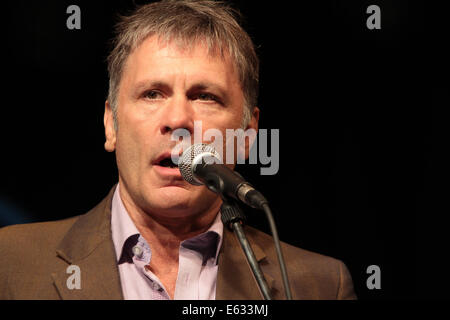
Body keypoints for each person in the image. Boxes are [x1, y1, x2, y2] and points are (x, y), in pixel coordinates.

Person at [0, 0, 356, 300]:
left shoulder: (319, 285)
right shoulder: (11, 263)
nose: (178, 119)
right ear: (112, 124)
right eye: (152, 93)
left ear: (247, 135)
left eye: (205, 96)